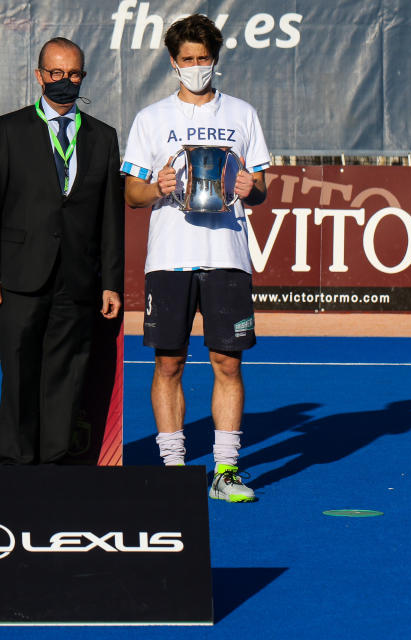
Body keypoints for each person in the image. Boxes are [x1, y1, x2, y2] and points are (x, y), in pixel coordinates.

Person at [121, 14, 270, 502]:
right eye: (187, 60)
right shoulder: (151, 118)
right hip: (169, 256)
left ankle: (226, 470)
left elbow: (262, 186)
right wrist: (156, 185)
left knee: (228, 362)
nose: (196, 67)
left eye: (204, 59)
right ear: (173, 62)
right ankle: (173, 468)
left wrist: (253, 187)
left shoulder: (243, 114)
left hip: (227, 253)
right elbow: (132, 194)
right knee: (168, 363)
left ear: (215, 60)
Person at [0, 37, 124, 465]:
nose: (65, 81)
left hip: (77, 280)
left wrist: (110, 282)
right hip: (20, 277)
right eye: (56, 73)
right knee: (19, 375)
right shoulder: (9, 129)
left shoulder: (103, 137)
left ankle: (55, 470)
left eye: (73, 74)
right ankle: (16, 471)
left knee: (66, 377)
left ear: (84, 76)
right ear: (39, 76)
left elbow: (110, 217)